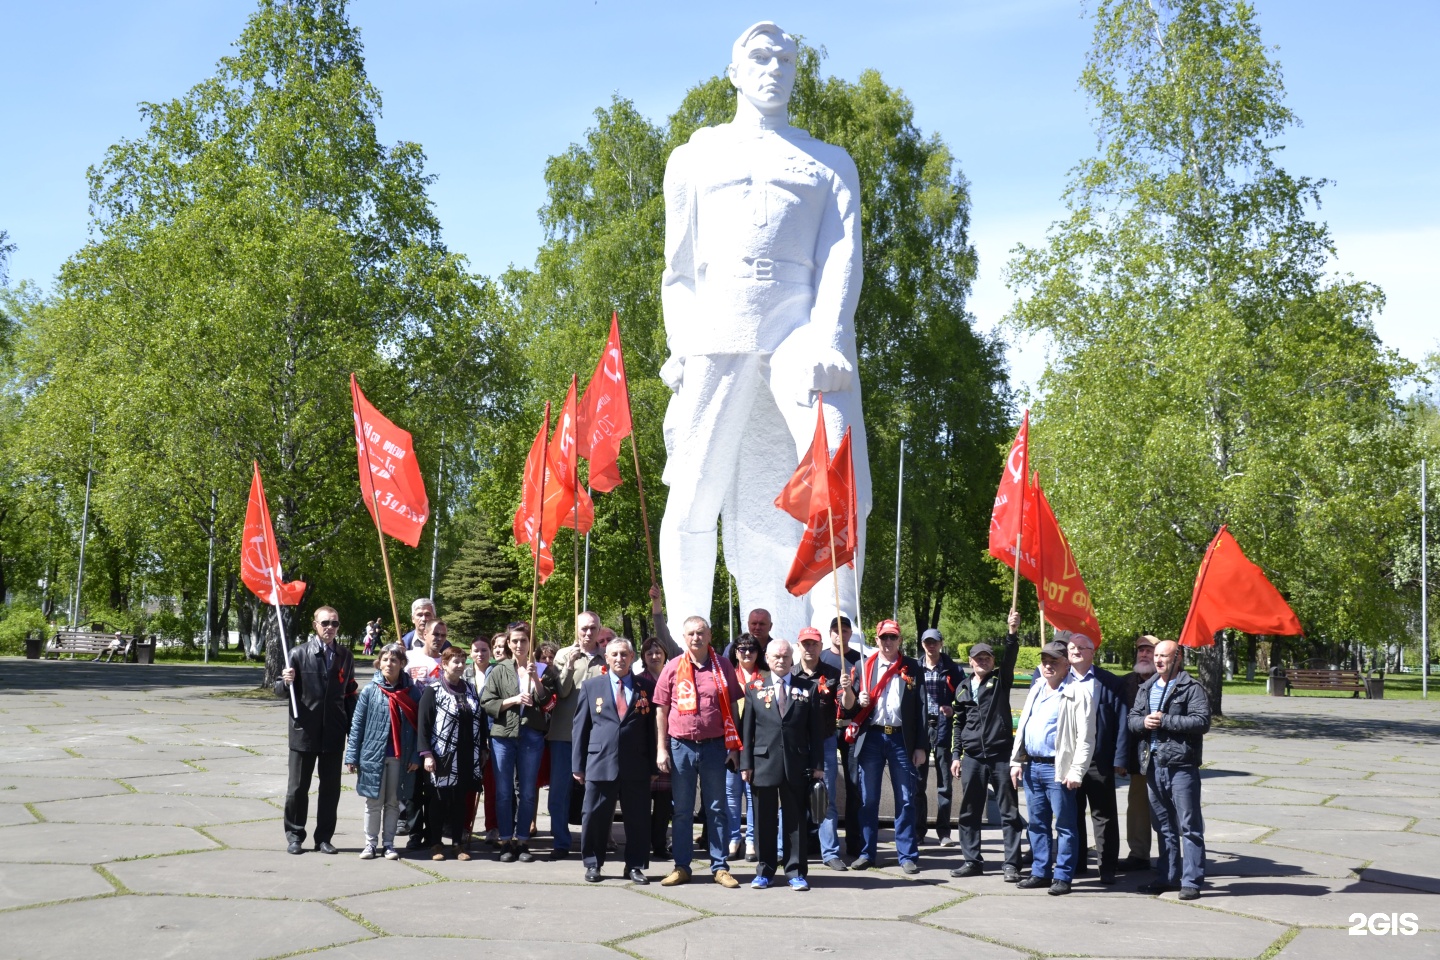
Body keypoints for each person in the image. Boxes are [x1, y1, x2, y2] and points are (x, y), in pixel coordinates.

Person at [657, 21, 870, 645]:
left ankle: (838, 628)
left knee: (834, 460)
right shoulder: (693, 159)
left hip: (797, 328)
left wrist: (830, 337)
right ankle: (684, 632)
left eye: (784, 59)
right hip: (716, 331)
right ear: (734, 70)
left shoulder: (830, 163)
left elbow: (841, 257)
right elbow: (678, 272)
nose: (772, 68)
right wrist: (678, 347)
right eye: (759, 57)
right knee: (693, 487)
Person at [653, 616, 744, 888]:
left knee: (717, 808)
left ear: (709, 635)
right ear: (684, 637)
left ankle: (720, 867)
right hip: (681, 745)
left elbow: (734, 709)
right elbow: (661, 709)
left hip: (716, 746)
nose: (696, 638)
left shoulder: (723, 666)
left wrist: (734, 747)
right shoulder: (672, 667)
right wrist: (661, 748)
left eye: (701, 632)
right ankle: (682, 867)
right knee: (681, 810)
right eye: (691, 633)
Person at [840, 619, 927, 873]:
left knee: (906, 798)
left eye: (893, 637)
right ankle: (867, 852)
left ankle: (907, 855)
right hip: (872, 738)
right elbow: (849, 707)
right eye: (884, 638)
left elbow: (922, 707)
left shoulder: (911, 667)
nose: (888, 642)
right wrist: (858, 699)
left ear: (899, 640)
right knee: (868, 799)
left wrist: (921, 746)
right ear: (876, 640)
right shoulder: (863, 666)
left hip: (901, 739)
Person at [1010, 639, 1095, 895]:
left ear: (1066, 664)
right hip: (1032, 766)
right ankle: (1040, 872)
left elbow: (1086, 737)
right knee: (1037, 824)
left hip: (1058, 769)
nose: (1048, 665)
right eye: (1045, 660)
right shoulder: (1037, 687)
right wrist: (1016, 761)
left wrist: (1077, 770)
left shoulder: (1078, 692)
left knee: (1066, 826)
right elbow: (1024, 725)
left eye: (1054, 661)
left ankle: (1063, 876)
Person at [741, 639, 825, 890]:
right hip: (763, 763)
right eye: (776, 656)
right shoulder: (754, 688)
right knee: (764, 819)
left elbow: (816, 732)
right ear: (766, 658)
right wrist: (746, 764)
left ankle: (795, 871)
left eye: (786, 656)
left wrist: (818, 764)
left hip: (797, 763)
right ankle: (765, 871)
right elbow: (746, 730)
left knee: (795, 819)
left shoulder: (808, 688)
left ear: (793, 659)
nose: (781, 660)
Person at [573, 637, 658, 883]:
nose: (619, 659)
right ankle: (593, 863)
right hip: (600, 761)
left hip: (637, 764)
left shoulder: (646, 687)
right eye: (614, 655)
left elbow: (651, 730)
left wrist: (653, 764)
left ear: (632, 657)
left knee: (639, 817)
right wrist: (578, 765)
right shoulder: (591, 687)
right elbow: (580, 728)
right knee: (594, 815)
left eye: (624, 654)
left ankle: (634, 865)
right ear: (606, 658)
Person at [1130, 640, 1210, 900]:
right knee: (1163, 825)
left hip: (1181, 766)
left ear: (1179, 658)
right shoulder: (1147, 687)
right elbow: (1131, 721)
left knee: (1189, 826)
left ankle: (1192, 880)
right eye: (1156, 656)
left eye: (1164, 656)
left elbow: (1201, 721)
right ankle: (1167, 876)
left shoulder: (1191, 687)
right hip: (1152, 764)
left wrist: (1165, 720)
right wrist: (1143, 721)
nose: (1158, 660)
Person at [276, 606, 358, 855]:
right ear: (315, 625)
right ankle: (295, 836)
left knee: (331, 789)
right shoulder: (298, 654)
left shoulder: (345, 655)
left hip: (334, 730)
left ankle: (324, 837)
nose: (330, 628)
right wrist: (285, 681)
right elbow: (280, 690)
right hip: (304, 730)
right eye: (325, 623)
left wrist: (353, 728)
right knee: (298, 788)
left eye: (334, 623)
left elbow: (350, 693)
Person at [949, 611, 1024, 880]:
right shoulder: (962, 688)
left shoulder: (1000, 682)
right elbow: (958, 723)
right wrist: (956, 755)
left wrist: (1012, 633)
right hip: (972, 759)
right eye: (978, 658)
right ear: (970, 661)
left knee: (1009, 811)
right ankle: (972, 860)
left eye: (987, 657)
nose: (982, 661)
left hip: (1001, 755)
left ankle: (1012, 864)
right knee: (969, 811)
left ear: (993, 661)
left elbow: (1011, 658)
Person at [480, 623, 557, 863]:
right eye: (514, 641)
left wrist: (535, 677)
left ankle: (522, 839)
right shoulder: (498, 670)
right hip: (503, 735)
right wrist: (512, 700)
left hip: (532, 735)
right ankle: (505, 840)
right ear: (508, 644)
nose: (519, 645)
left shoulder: (544, 669)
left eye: (524, 641)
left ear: (529, 643)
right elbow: (487, 702)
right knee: (503, 791)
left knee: (526, 790)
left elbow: (549, 703)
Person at [1062, 630, 1130, 884]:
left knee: (1103, 815)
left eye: (1082, 647)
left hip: (1098, 761)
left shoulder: (1110, 682)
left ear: (1093, 653)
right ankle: (1078, 863)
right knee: (1071, 813)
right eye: (1071, 649)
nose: (1076, 651)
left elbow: (1122, 722)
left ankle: (1108, 866)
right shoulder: (1060, 681)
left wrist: (1120, 759)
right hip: (1068, 761)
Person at [345, 643, 421, 860]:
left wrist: (416, 755)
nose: (389, 664)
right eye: (385, 659)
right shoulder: (370, 690)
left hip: (400, 756)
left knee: (393, 802)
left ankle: (389, 844)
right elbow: (357, 724)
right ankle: (370, 844)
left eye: (394, 660)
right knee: (373, 802)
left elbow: (418, 728)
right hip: (372, 755)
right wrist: (352, 755)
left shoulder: (411, 692)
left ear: (402, 664)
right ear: (379, 662)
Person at [418, 647, 489, 861]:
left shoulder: (469, 688)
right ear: (444, 664)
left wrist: (483, 748)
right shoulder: (434, 690)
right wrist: (426, 754)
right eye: (455, 661)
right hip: (442, 755)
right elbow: (424, 724)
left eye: (462, 661)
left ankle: (458, 844)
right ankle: (436, 844)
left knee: (460, 800)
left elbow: (480, 717)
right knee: (439, 800)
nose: (459, 665)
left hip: (467, 754)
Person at [548, 611, 608, 861]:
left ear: (599, 630)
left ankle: (593, 842)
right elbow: (560, 692)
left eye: (592, 628)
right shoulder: (563, 655)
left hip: (596, 736)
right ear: (576, 629)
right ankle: (561, 842)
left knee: (595, 792)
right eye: (583, 628)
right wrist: (570, 665)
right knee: (559, 793)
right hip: (564, 733)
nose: (587, 633)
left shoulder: (606, 656)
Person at [792, 626, 845, 871]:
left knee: (826, 799)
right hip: (797, 746)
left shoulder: (834, 674)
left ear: (821, 646)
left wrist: (848, 688)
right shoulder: (790, 675)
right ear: (798, 646)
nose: (809, 648)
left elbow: (848, 706)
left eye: (813, 644)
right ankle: (790, 850)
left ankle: (830, 853)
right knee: (793, 799)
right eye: (805, 644)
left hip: (824, 743)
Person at [400, 620, 448, 849]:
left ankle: (433, 833)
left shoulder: (447, 661)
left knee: (434, 786)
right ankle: (414, 832)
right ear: (424, 634)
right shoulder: (410, 657)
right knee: (412, 785)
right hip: (411, 728)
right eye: (434, 634)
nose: (438, 638)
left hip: (438, 731)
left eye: (442, 634)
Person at [915, 627, 963, 846]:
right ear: (922, 644)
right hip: (921, 727)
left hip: (943, 727)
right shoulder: (915, 667)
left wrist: (953, 709)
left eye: (934, 642)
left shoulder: (952, 668)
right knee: (918, 782)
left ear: (941, 643)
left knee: (944, 783)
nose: (930, 646)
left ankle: (944, 832)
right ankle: (918, 831)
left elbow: (964, 698)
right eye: (927, 642)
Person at [822, 613, 863, 860]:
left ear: (850, 633)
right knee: (823, 787)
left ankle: (855, 842)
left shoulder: (860, 660)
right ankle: (823, 841)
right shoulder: (822, 658)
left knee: (854, 785)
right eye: (836, 630)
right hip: (827, 728)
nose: (841, 634)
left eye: (845, 630)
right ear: (830, 634)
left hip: (853, 726)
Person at [725, 634, 768, 861]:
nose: (747, 653)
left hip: (757, 743)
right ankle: (734, 837)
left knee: (753, 795)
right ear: (735, 652)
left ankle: (751, 839)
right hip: (730, 741)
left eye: (752, 649)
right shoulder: (726, 675)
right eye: (742, 649)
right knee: (731, 794)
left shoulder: (767, 676)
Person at [1119, 635, 1158, 871]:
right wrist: (1121, 757)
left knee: (1168, 811)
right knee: (1137, 808)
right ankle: (1139, 854)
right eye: (1141, 650)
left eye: (1149, 650)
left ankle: (1171, 858)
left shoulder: (1171, 682)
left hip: (1167, 759)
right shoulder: (1125, 683)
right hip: (1137, 760)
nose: (1143, 654)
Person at [636, 635, 674, 860]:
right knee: (641, 800)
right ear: (643, 657)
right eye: (649, 652)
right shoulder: (638, 680)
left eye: (658, 651)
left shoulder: (674, 678)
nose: (654, 655)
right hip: (643, 746)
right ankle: (641, 844)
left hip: (669, 743)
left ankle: (660, 844)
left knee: (664, 802)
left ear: (665, 655)